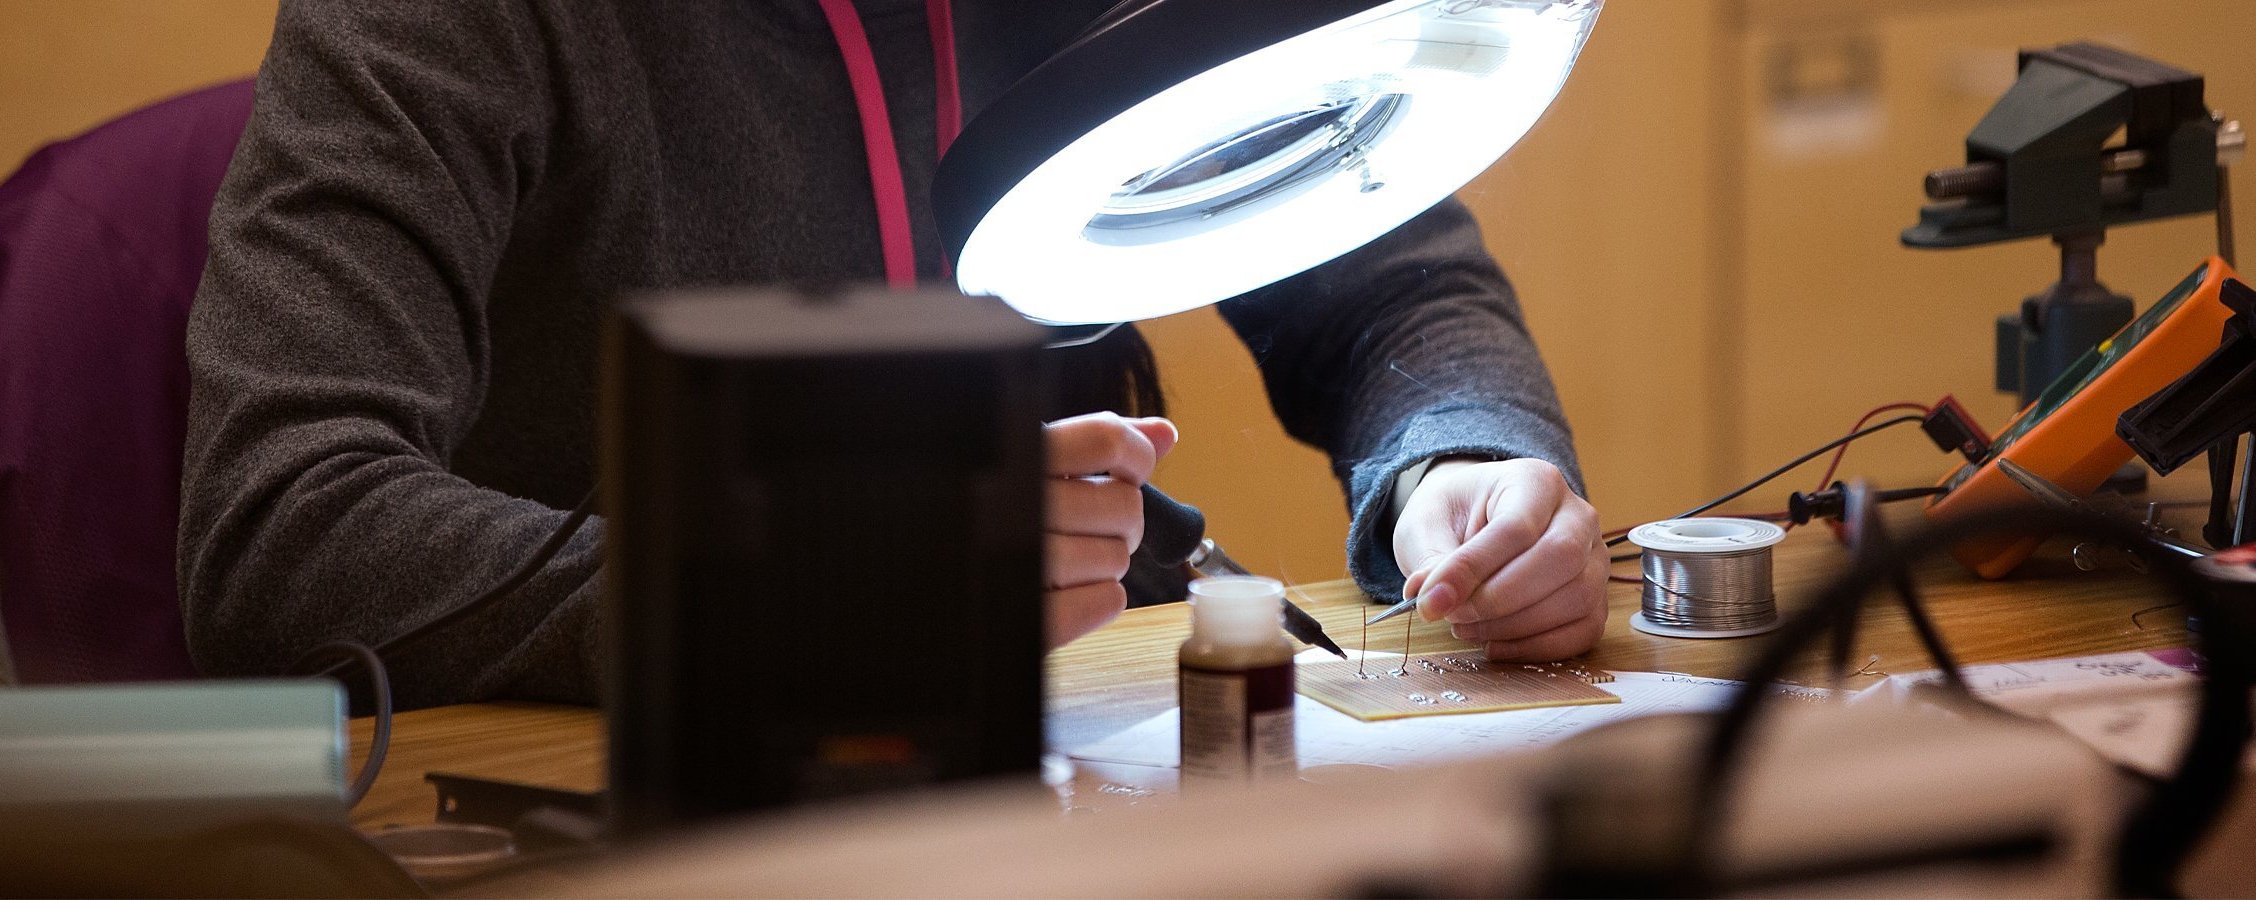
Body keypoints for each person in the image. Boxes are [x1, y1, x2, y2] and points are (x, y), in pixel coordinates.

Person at [181, 0, 1605, 708]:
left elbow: (1392, 276)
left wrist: (1465, 465)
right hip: (633, 790)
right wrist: (815, 576)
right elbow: (283, 529)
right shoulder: (453, 28)